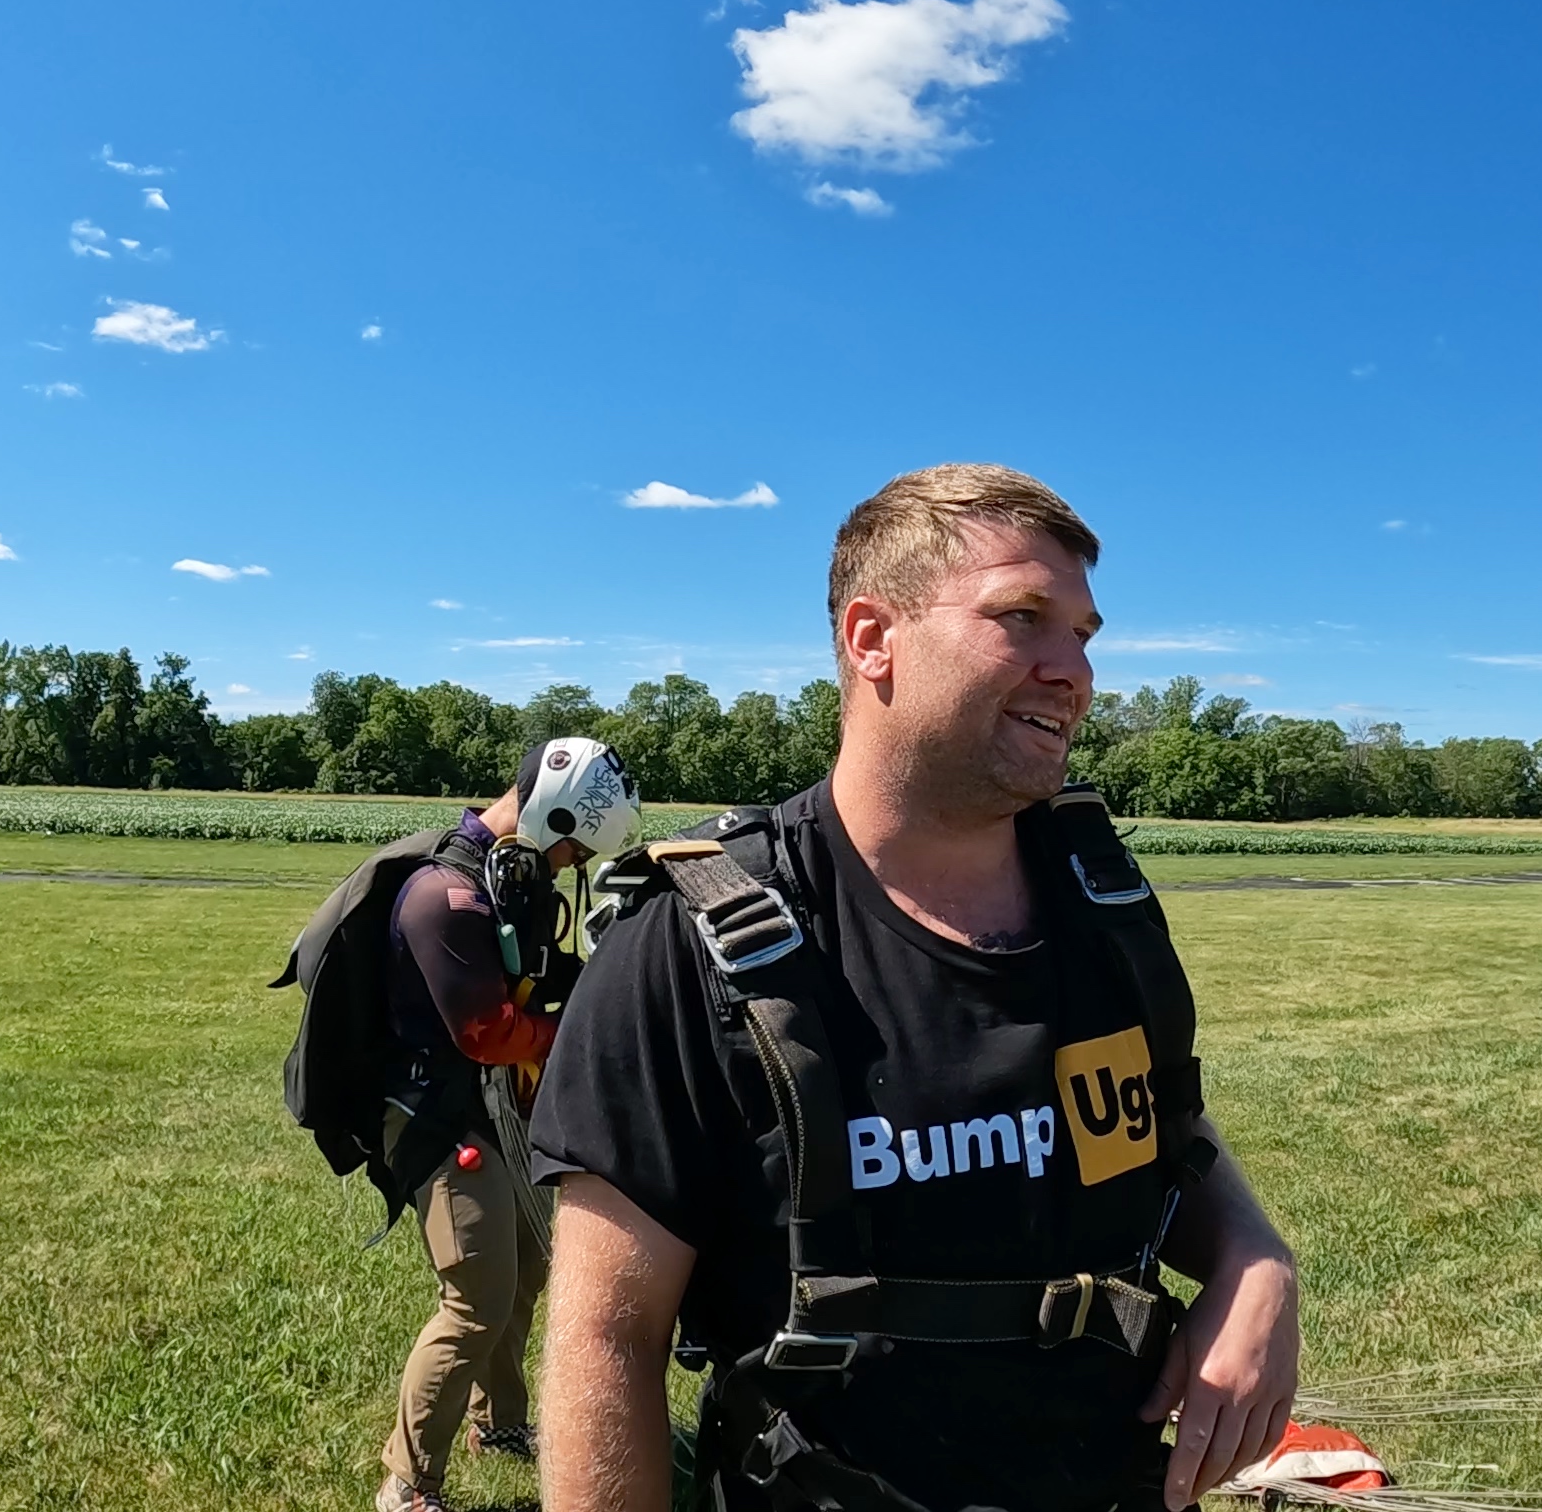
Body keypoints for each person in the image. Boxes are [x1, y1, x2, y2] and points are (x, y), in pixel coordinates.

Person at [531, 464, 1300, 1512]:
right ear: (871, 638)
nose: (1073, 671)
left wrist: (1253, 1254)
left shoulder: (1103, 905)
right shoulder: (690, 944)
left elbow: (1156, 1125)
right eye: (1022, 617)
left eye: (1083, 634)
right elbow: (606, 1340)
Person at [273, 738, 644, 1512]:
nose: (571, 863)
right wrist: (575, 1030)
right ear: (555, 815)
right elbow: (487, 1031)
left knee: (524, 1269)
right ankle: (407, 1484)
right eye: (575, 847)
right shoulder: (446, 895)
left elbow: (532, 975)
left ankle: (497, 1424)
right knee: (475, 1299)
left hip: (485, 1107)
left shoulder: (502, 879)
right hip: (435, 1117)